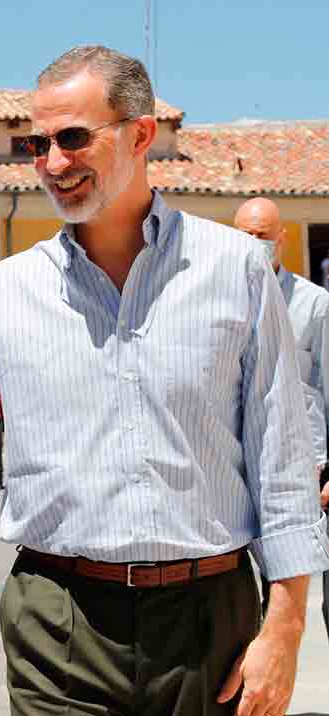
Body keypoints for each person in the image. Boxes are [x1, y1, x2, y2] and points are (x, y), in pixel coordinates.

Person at [0, 46, 329, 716]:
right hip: (59, 619)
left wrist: (287, 624)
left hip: (208, 616)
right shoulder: (9, 292)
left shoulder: (238, 273)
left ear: (140, 134)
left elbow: (282, 460)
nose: (51, 162)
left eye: (72, 138)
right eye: (35, 143)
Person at [233, 198, 329, 626]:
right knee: (243, 606)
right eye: (246, 236)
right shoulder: (220, 304)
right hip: (237, 473)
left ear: (282, 238)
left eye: (263, 236)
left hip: (310, 474)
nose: (255, 244)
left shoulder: (314, 305)